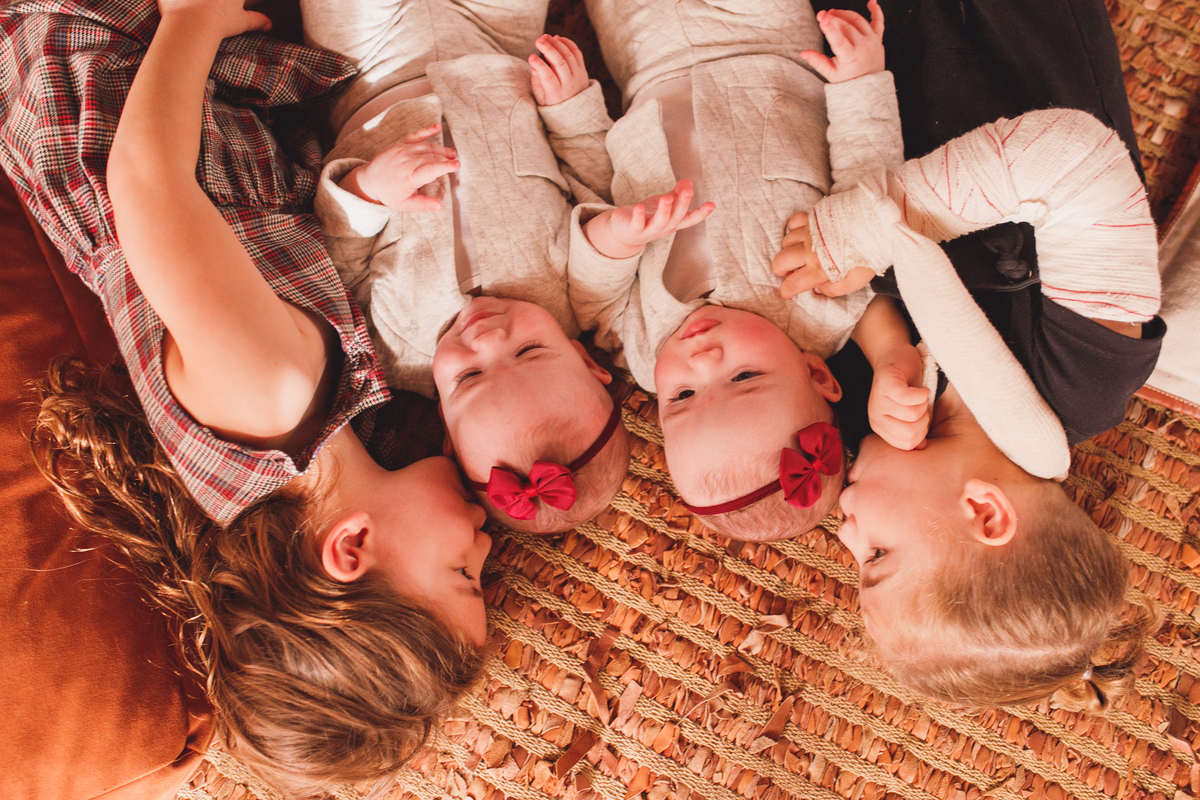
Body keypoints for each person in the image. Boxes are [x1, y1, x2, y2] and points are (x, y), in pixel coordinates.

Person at [1, 0, 490, 794]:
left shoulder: (270, 393)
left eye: (463, 571)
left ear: (350, 549)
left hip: (104, 73)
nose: (485, 541)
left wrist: (192, 21)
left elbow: (146, 181)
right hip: (187, 114)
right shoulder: (280, 454)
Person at [773, 0, 1166, 709]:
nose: (845, 534)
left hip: (859, 53)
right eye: (876, 556)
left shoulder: (862, 417)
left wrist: (883, 345)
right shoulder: (1088, 378)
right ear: (985, 512)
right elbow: (1074, 161)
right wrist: (874, 226)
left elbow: (830, 298)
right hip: (996, 28)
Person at [567, 0, 931, 541]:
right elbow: (864, 187)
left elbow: (590, 295)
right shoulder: (824, 307)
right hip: (766, 44)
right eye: (743, 377)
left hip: (646, 59)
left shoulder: (643, 353)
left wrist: (615, 234)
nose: (701, 360)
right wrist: (861, 84)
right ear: (817, 375)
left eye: (682, 396)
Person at [301, 0, 632, 533]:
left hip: (370, 69)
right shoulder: (578, 293)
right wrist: (570, 109)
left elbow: (337, 259)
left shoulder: (393, 352)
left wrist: (367, 192)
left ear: (446, 428)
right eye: (529, 350)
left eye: (470, 376)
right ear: (585, 360)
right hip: (498, 45)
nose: (487, 338)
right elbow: (592, 181)